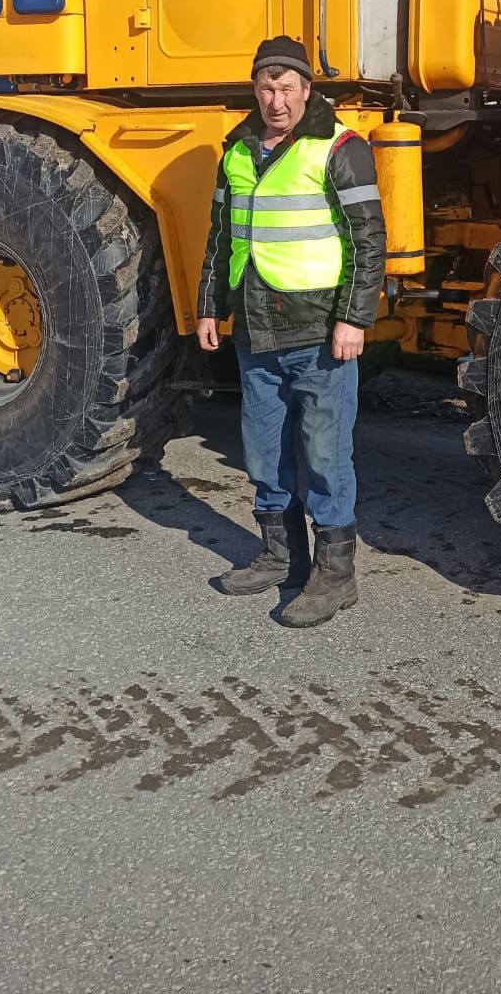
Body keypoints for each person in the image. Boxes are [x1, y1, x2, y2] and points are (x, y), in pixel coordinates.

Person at [196, 36, 386, 627]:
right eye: (266, 87)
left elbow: (368, 239)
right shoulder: (237, 151)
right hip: (255, 329)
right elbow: (221, 237)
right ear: (254, 89)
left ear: (307, 89)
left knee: (326, 455)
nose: (276, 100)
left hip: (317, 330)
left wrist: (354, 318)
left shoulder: (340, 148)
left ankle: (336, 576)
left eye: (287, 88)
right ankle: (281, 556)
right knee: (263, 450)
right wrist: (209, 307)